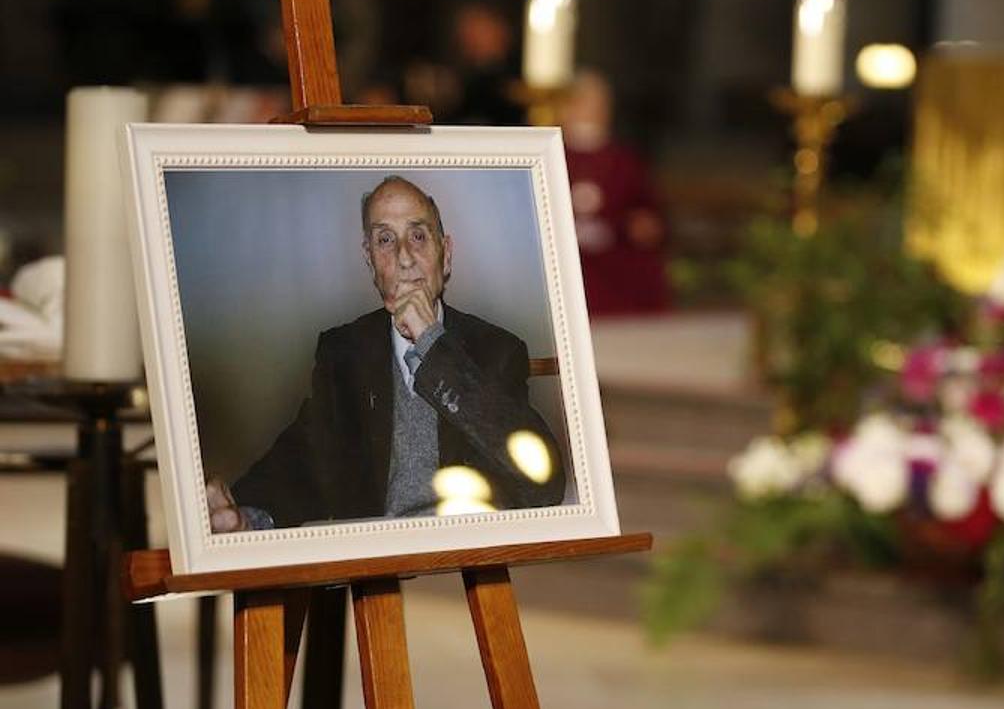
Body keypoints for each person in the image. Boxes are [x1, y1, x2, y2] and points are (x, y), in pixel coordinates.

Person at [206, 176, 565, 532]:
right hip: (376, 560)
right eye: (385, 240)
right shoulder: (344, 350)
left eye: (419, 236)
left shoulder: (496, 348)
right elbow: (305, 458)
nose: (405, 257)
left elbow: (540, 484)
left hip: (461, 555)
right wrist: (246, 516)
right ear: (370, 261)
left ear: (447, 254)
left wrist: (432, 344)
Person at [558, 70, 671, 315]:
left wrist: (643, 224)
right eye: (581, 102)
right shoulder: (551, 154)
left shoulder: (623, 160)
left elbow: (647, 209)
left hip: (614, 246)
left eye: (596, 104)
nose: (588, 111)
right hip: (561, 247)